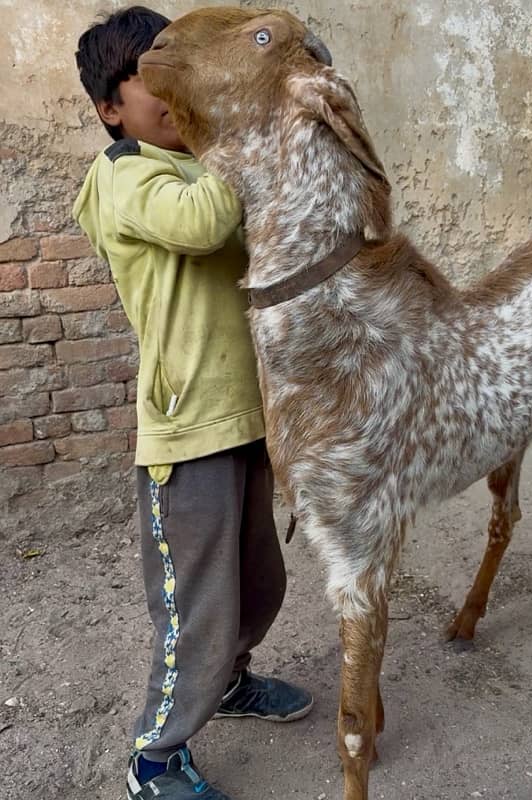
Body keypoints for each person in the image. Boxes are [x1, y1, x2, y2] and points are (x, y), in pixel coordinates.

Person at [73, 7, 313, 799]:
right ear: (112, 107)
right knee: (197, 609)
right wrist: (239, 130)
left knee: (257, 583)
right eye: (151, 75)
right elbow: (208, 223)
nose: (173, 90)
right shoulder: (125, 176)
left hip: (246, 417)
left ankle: (232, 683)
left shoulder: (202, 167)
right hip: (187, 434)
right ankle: (155, 756)